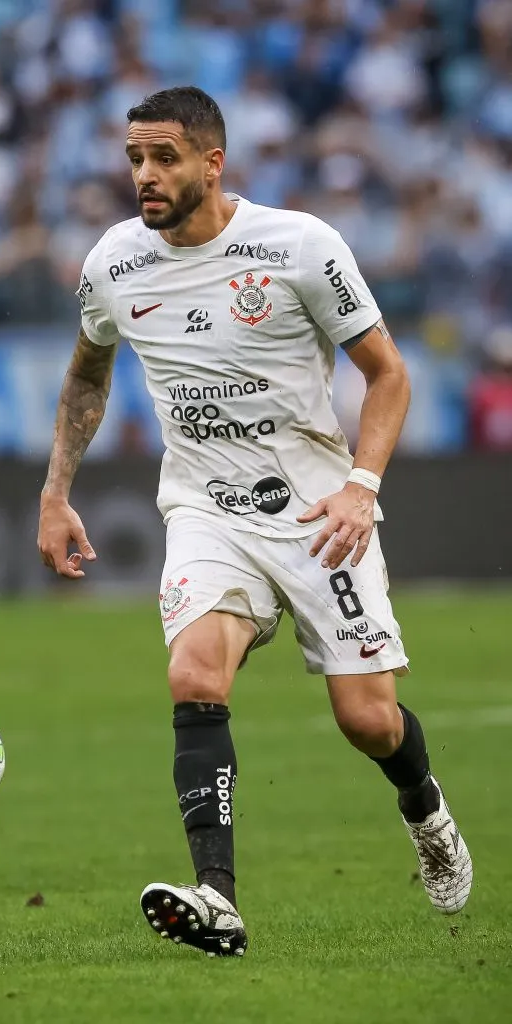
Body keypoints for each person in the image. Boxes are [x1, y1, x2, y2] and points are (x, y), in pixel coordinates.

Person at [37, 86, 472, 958]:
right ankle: (217, 897)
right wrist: (55, 492)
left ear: (212, 162)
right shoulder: (115, 264)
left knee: (366, 721)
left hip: (319, 513)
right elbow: (89, 373)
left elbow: (386, 376)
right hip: (204, 506)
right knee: (194, 673)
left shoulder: (298, 246)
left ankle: (422, 805)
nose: (144, 176)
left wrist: (359, 486)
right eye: (133, 159)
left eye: (162, 158)